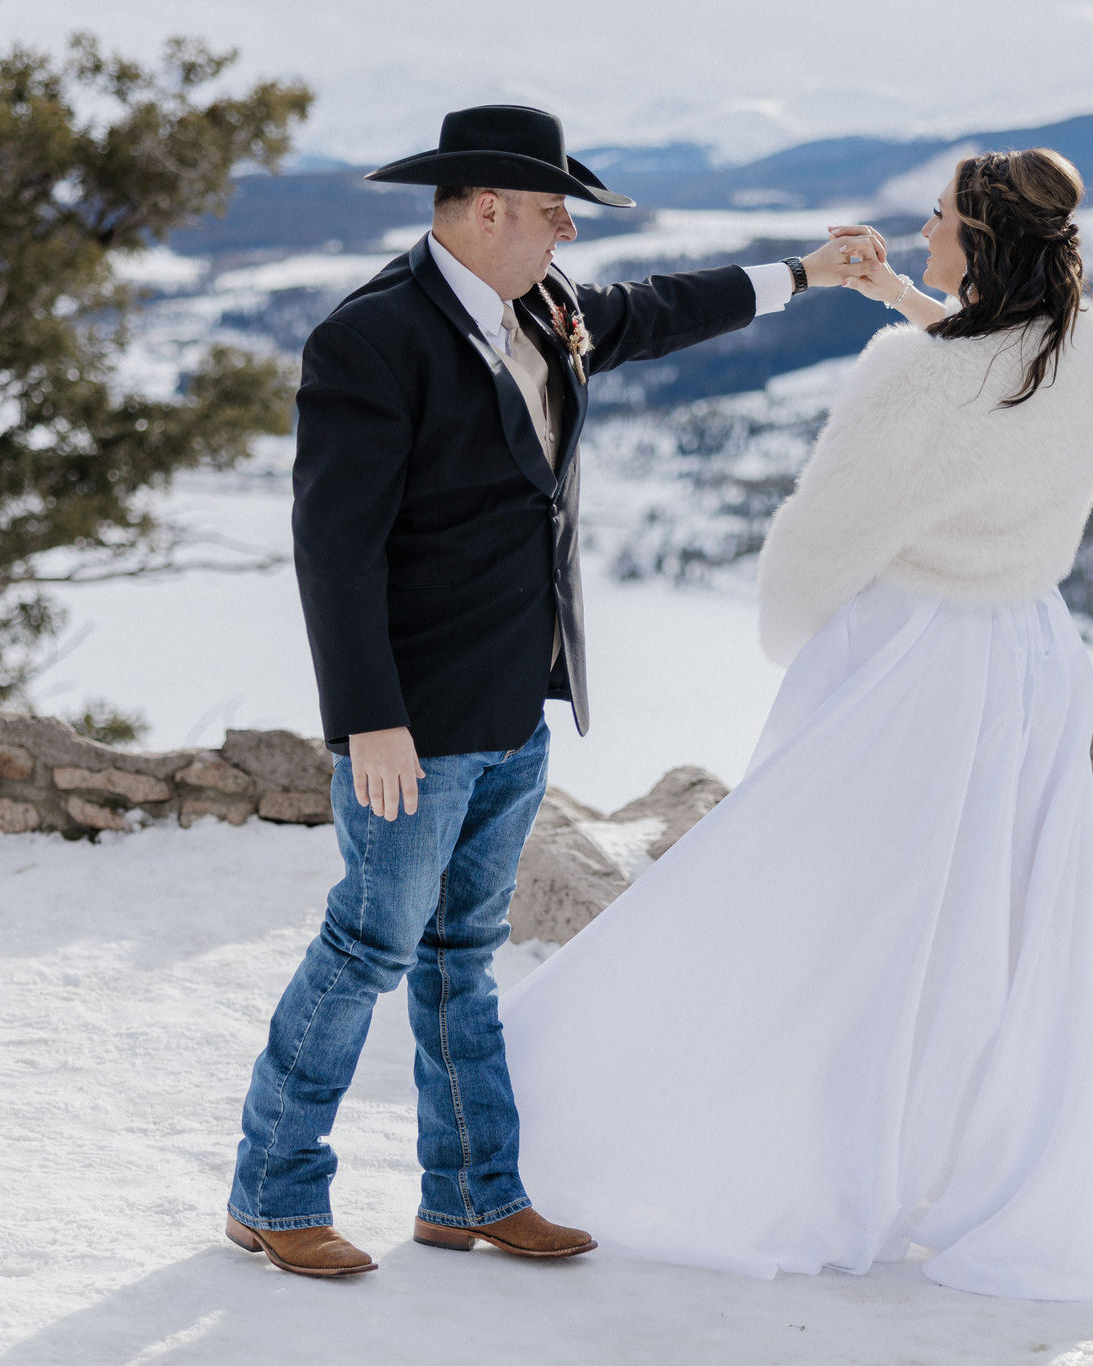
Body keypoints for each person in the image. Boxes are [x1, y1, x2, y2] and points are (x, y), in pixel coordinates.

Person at [498, 148, 1093, 1299]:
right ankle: (937, 1147)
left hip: (912, 658)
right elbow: (982, 362)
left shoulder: (908, 375)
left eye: (934, 221)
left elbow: (825, 533)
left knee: (815, 890)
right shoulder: (1080, 342)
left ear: (973, 241)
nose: (919, 232)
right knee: (980, 913)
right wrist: (898, 299)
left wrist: (795, 633)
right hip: (1028, 655)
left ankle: (711, 1119)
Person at [224, 104, 883, 1278]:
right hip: (412, 727)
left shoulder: (543, 305)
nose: (565, 228)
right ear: (484, 209)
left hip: (514, 709)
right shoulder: (369, 339)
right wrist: (370, 718)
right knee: (368, 949)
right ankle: (272, 1192)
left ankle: (471, 1193)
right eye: (547, 209)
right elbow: (335, 547)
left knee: (460, 955)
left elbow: (657, 310)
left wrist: (801, 274)